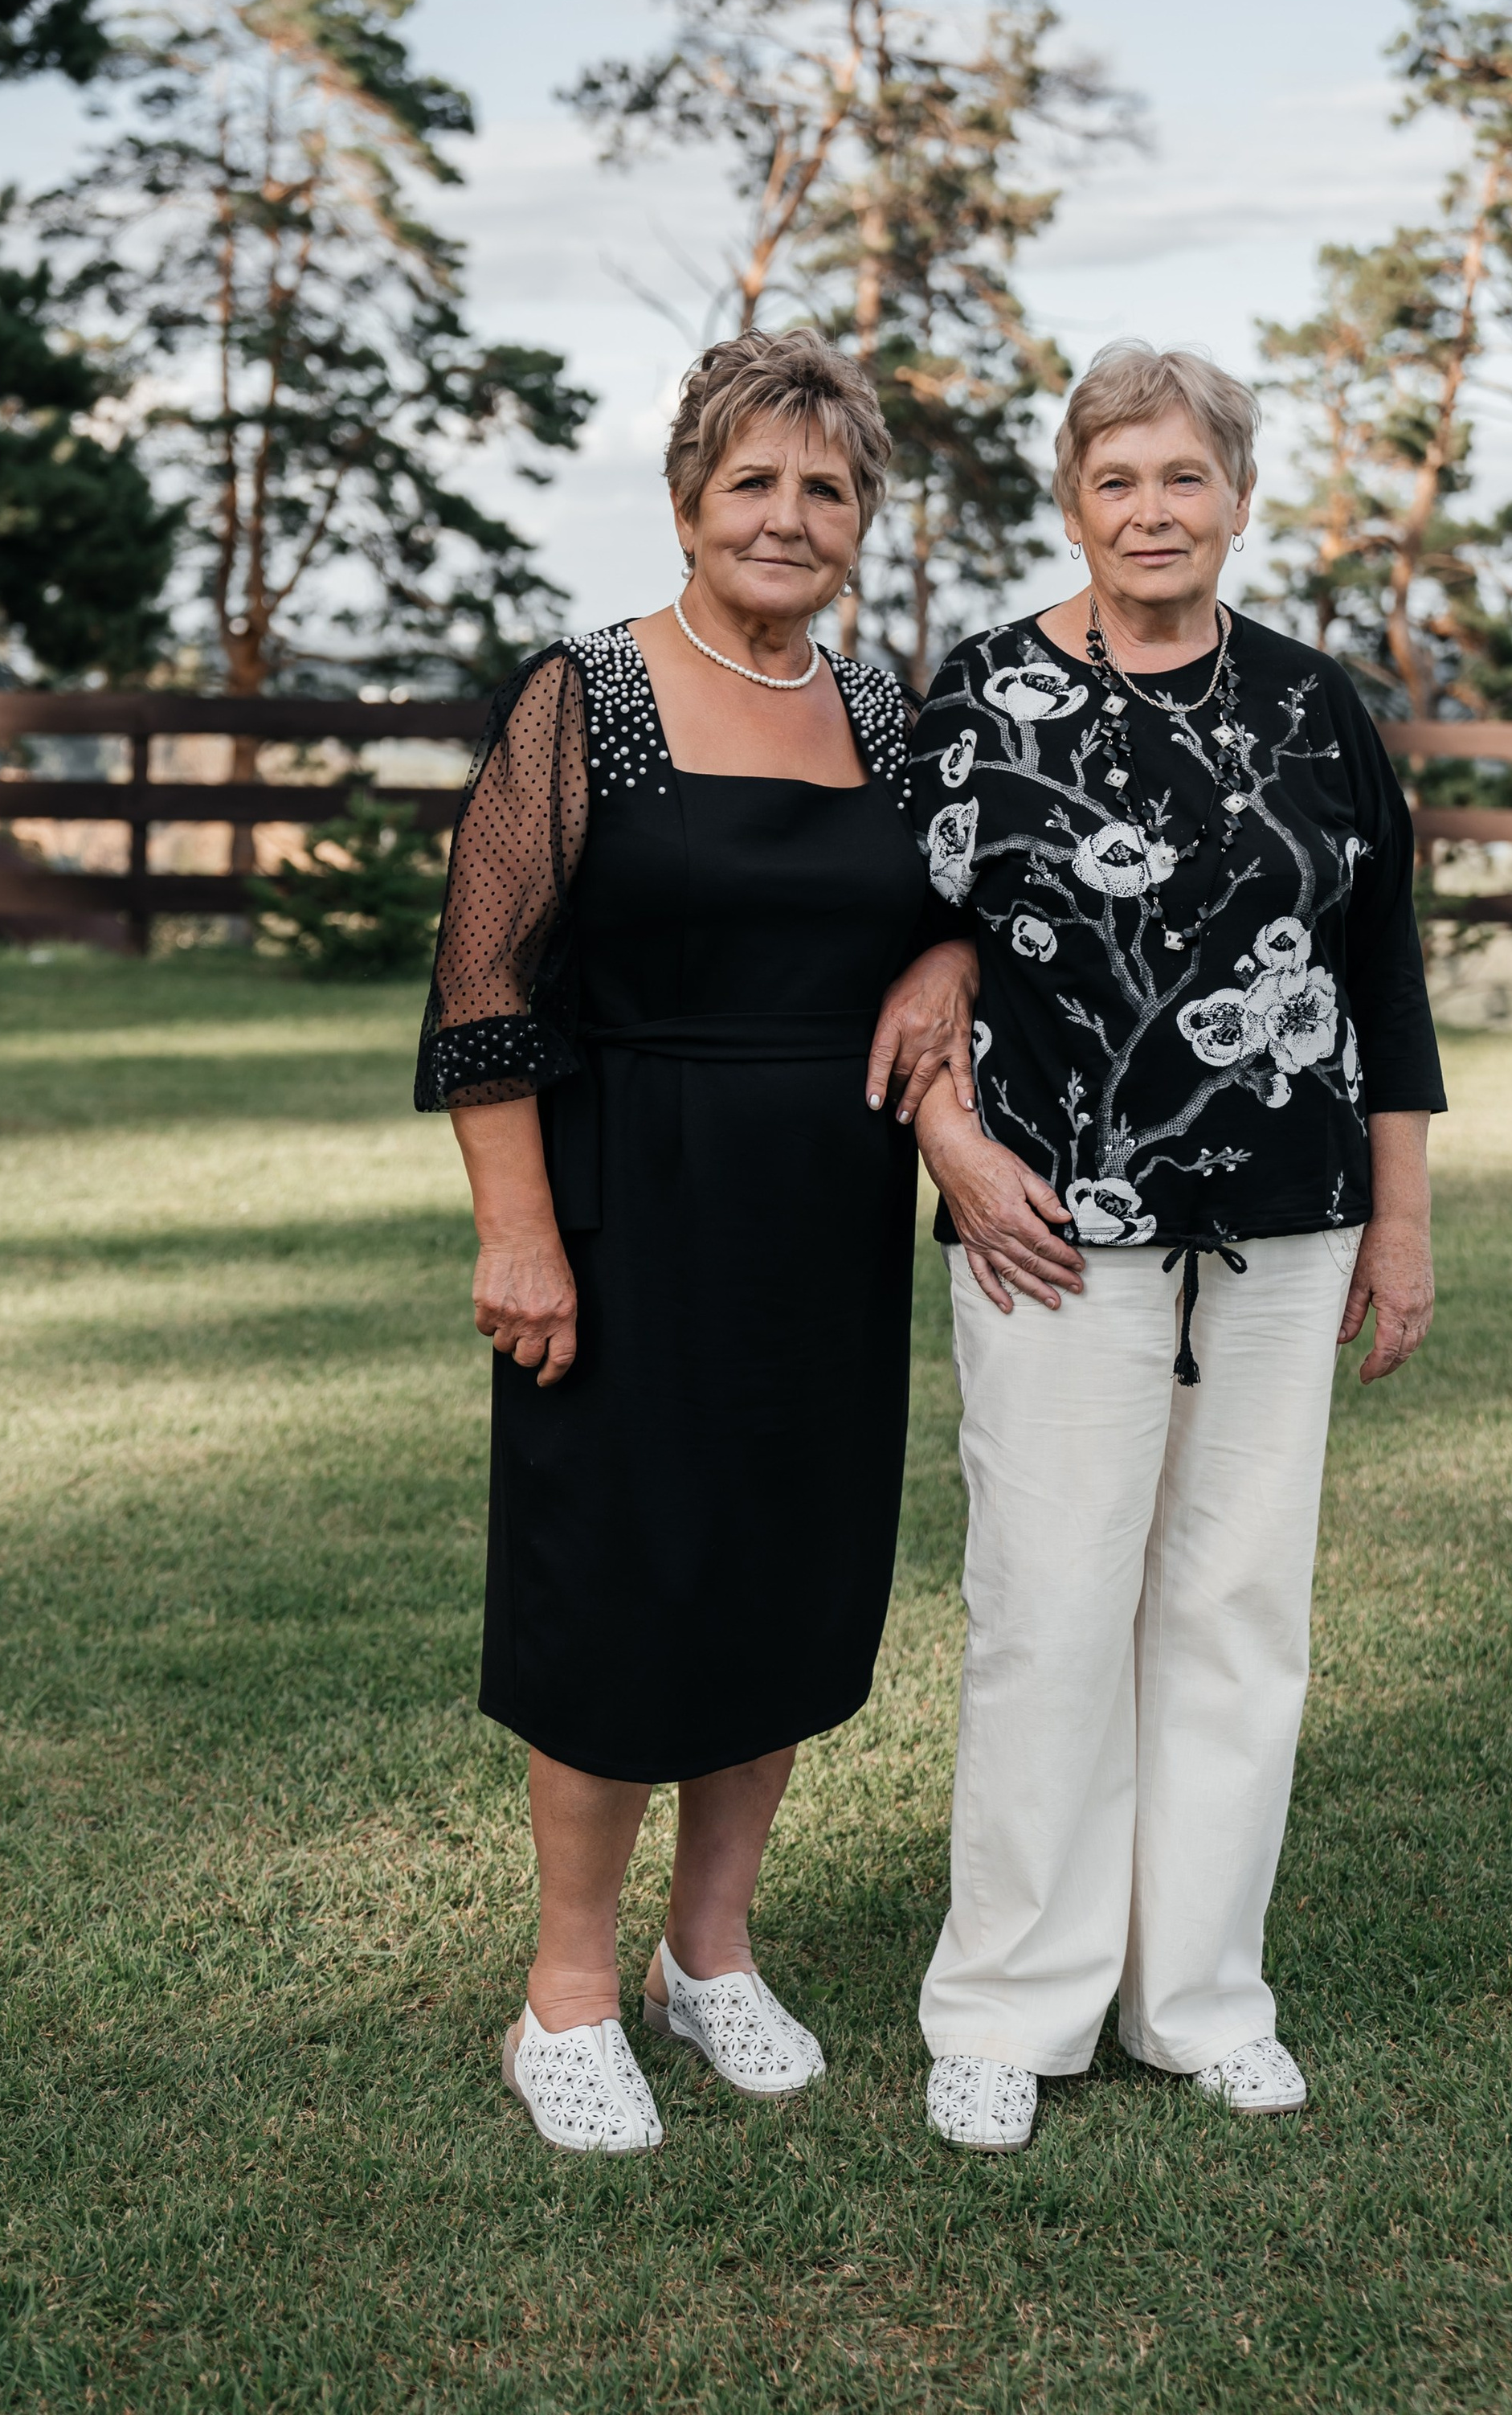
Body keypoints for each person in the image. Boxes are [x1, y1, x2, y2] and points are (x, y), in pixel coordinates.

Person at [415, 327, 973, 2155]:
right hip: (625, 1200)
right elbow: (484, 987)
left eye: (826, 488)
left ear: (862, 520)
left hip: (826, 1207)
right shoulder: (584, 696)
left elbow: (977, 908)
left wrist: (946, 960)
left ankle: (706, 1955)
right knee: (618, 1583)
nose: (788, 516)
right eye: (755, 481)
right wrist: (519, 1234)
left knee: (785, 1577)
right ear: (684, 499)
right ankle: (566, 1987)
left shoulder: (886, 714)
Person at [905, 338, 1445, 2151]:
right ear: (1071, 498)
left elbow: (1381, 982)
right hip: (1051, 1229)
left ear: (1234, 494)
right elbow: (890, 961)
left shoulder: (1312, 706)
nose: (1151, 509)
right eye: (1115, 478)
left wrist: (1401, 1224)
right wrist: (953, 1151)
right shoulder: (976, 695)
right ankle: (1005, 2010)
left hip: (1288, 1229)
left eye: (1183, 477)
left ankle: (1199, 1996)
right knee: (1048, 1615)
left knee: (1233, 1611)